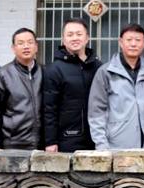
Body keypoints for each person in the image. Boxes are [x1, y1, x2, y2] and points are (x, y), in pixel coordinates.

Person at [88, 23, 144, 150]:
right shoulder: (106, 72)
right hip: (115, 145)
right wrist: (101, 145)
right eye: (129, 40)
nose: (133, 44)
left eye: (138, 40)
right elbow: (96, 112)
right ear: (120, 42)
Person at [43, 18, 103, 152]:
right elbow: (49, 109)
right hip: (66, 140)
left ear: (87, 38)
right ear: (63, 40)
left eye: (79, 34)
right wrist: (50, 141)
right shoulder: (54, 70)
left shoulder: (99, 67)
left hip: (96, 138)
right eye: (70, 35)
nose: (75, 38)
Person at [0, 27, 43, 150]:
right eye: (20, 43)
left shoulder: (45, 72)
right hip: (13, 143)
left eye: (30, 42)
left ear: (36, 46)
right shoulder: (3, 74)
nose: (26, 46)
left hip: (42, 143)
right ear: (13, 48)